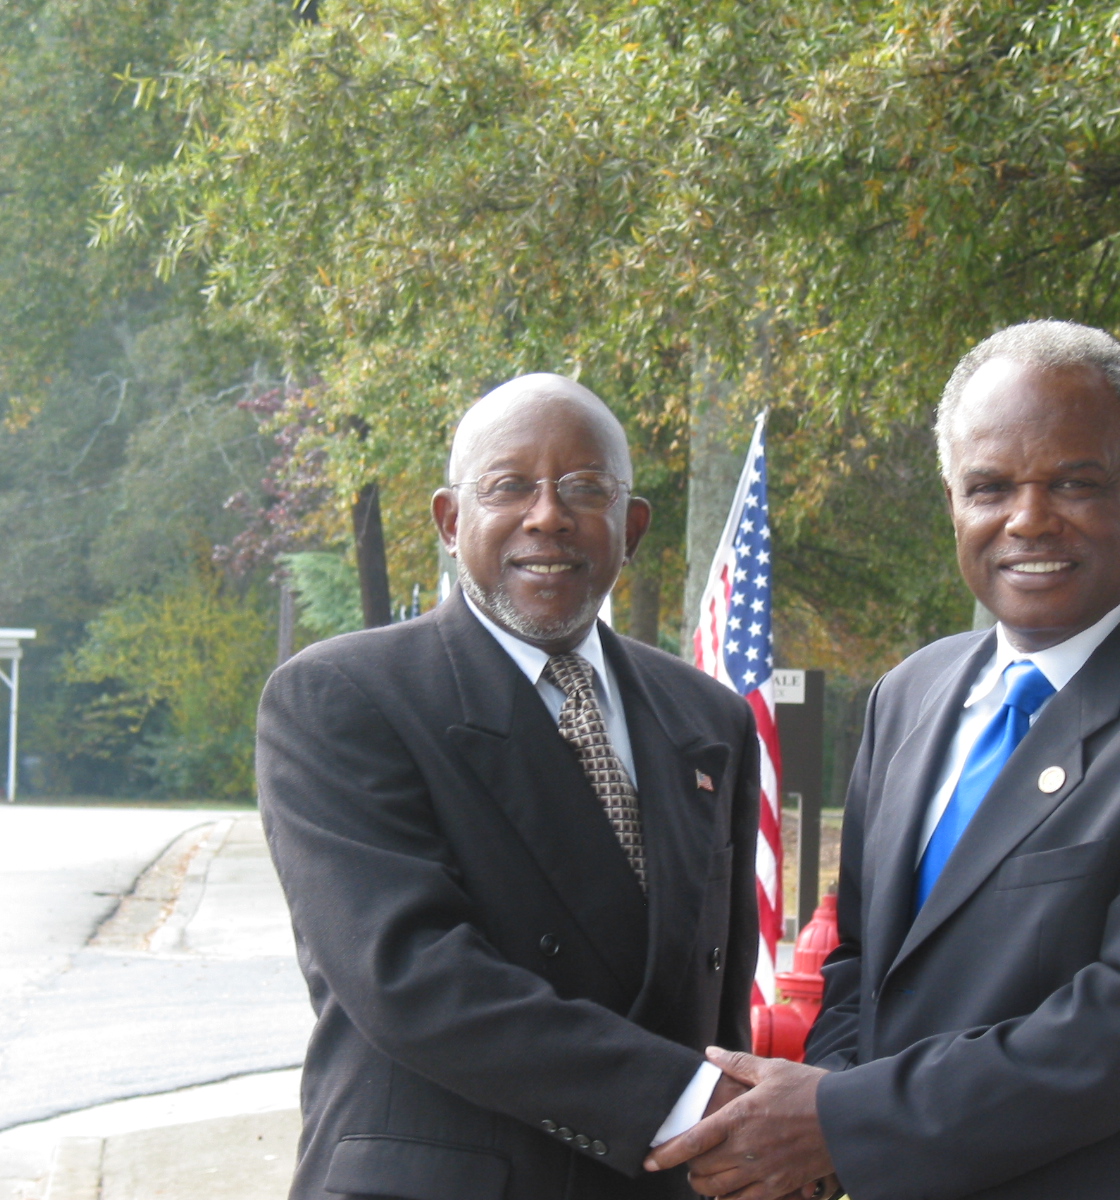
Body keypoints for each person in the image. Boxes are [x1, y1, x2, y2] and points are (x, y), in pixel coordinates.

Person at [646, 320, 1120, 1200]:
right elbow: (858, 960)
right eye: (990, 487)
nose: (1028, 520)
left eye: (1074, 483)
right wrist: (831, 1128)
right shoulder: (910, 694)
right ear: (953, 501)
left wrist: (840, 1121)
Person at [257, 374, 760, 1200]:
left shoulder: (708, 716)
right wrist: (690, 1101)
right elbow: (411, 974)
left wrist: (741, 1145)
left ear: (631, 528)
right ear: (451, 522)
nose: (548, 515)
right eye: (508, 486)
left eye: (585, 488)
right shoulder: (343, 697)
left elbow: (716, 992)